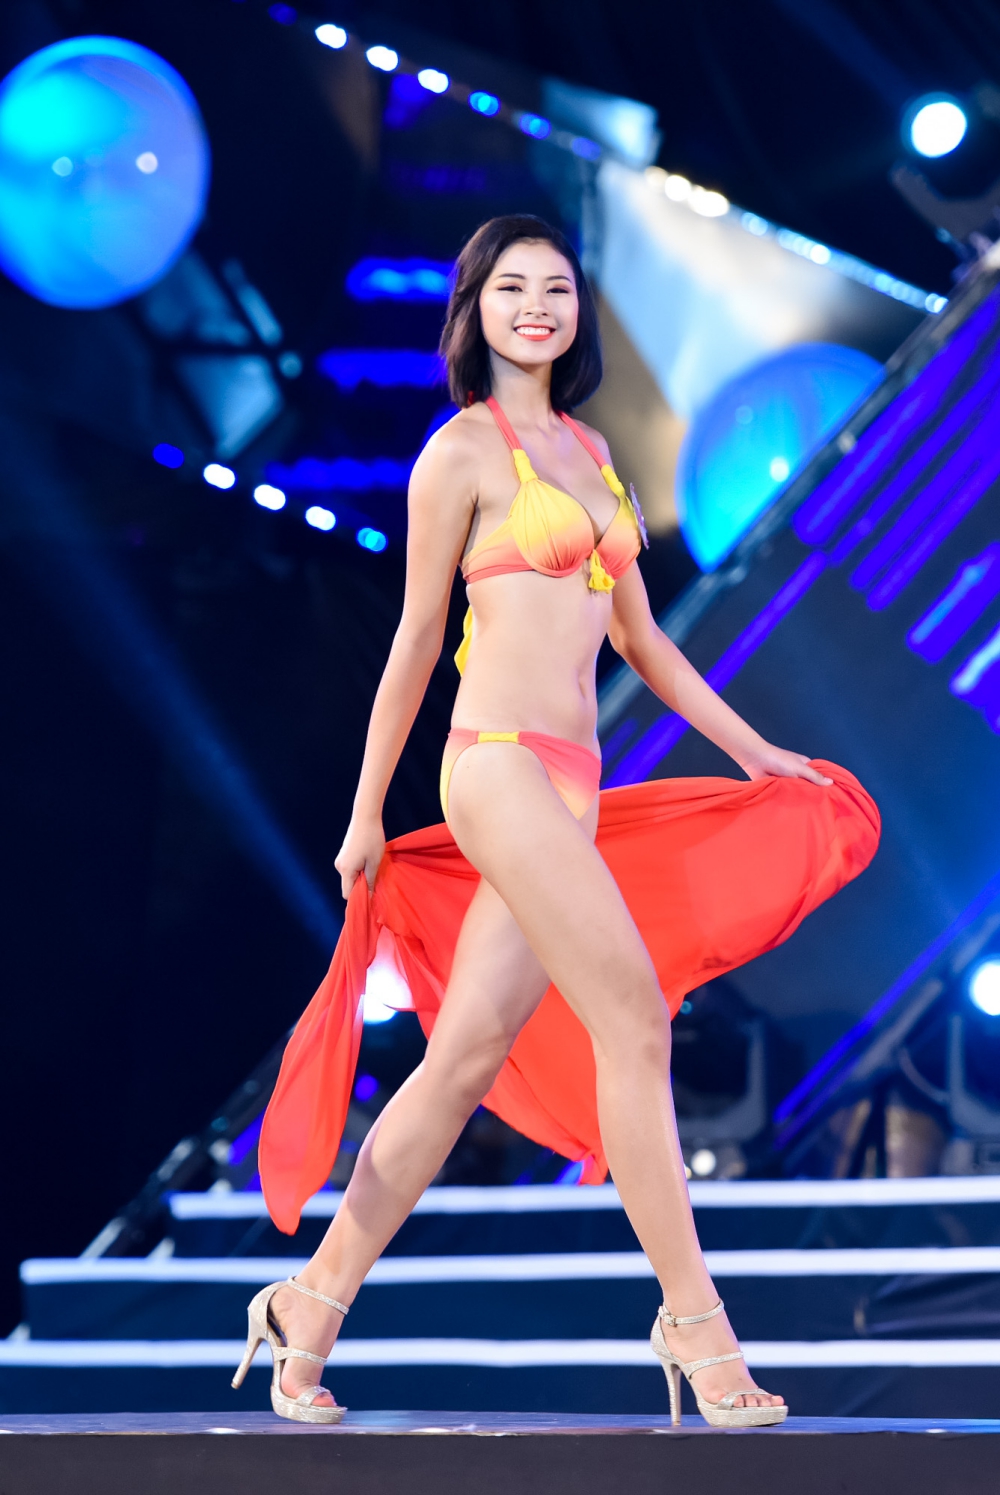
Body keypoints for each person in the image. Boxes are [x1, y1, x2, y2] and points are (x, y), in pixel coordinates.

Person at [232, 215, 879, 1427]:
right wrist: (366, 810)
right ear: (475, 310)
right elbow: (415, 641)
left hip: (575, 786)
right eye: (511, 287)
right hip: (495, 769)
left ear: (576, 312)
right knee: (633, 1018)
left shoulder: (590, 450)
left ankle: (307, 1305)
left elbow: (643, 641)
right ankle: (694, 1323)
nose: (536, 305)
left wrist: (756, 752)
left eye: (557, 288)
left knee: (459, 1064)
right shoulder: (459, 453)